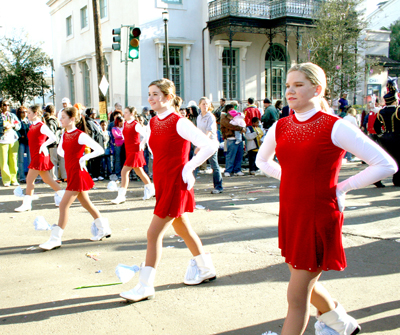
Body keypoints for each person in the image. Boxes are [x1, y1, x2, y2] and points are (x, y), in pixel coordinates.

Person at [256, 62, 397, 335]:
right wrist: (290, 180)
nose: (290, 91)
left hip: (318, 214)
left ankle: (336, 324)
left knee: (296, 297)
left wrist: (341, 188)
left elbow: (385, 165)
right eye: (288, 85)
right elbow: (263, 161)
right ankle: (342, 324)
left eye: (298, 85)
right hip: (291, 212)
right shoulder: (280, 126)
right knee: (301, 277)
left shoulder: (335, 126)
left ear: (317, 89)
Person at [119, 79, 218, 302]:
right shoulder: (153, 122)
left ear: (168, 96)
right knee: (182, 227)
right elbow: (155, 150)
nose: (150, 98)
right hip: (163, 181)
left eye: (155, 94)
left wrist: (189, 167)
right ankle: (205, 268)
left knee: (153, 233)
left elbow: (211, 145)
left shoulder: (180, 122)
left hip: (175, 182)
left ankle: (145, 286)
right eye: (149, 94)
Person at [39, 106, 111, 250]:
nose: (60, 120)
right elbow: (61, 151)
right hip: (72, 173)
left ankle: (55, 238)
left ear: (72, 119)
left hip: (78, 174)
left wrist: (84, 157)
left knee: (63, 205)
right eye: (60, 117)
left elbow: (100, 149)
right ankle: (104, 229)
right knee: (86, 204)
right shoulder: (64, 134)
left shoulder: (80, 135)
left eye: (63, 117)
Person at [15, 105, 64, 212]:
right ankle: (63, 195)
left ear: (35, 113)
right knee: (47, 179)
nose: (27, 115)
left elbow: (53, 137)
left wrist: (43, 145)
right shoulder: (32, 125)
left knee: (29, 179)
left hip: (40, 155)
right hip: (35, 155)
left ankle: (27, 204)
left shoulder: (41, 125)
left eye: (29, 113)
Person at [111, 106, 155, 204]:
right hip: (129, 150)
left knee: (124, 172)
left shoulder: (136, 124)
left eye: (126, 112)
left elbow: (147, 135)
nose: (124, 114)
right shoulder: (126, 123)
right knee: (139, 172)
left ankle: (121, 195)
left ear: (131, 114)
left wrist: (142, 144)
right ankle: (151, 188)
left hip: (135, 151)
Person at [374, 77, 400, 187]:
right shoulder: (397, 110)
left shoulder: (381, 111)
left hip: (385, 138)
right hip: (397, 138)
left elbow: (376, 126)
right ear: (395, 100)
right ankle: (397, 180)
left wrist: (381, 135)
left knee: (384, 161)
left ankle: (377, 179)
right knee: (398, 160)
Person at [197, 97, 223, 194]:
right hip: (202, 143)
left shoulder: (210, 116)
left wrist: (202, 143)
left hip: (211, 143)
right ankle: (187, 187)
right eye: (203, 104)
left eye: (207, 104)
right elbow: (199, 131)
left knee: (214, 165)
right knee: (195, 164)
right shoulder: (199, 117)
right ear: (199, 105)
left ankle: (218, 187)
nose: (205, 106)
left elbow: (209, 131)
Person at [220, 104, 246, 177]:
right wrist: (241, 128)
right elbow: (231, 126)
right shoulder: (224, 118)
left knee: (239, 155)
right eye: (232, 110)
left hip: (239, 138)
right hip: (231, 139)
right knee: (230, 156)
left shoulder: (236, 117)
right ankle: (228, 170)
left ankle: (237, 170)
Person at [0, 99, 21, 187]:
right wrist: (3, 128)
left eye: (8, 105)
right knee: (4, 161)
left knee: (13, 160)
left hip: (13, 139)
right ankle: (6, 180)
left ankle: (14, 179)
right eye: (5, 105)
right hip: (3, 140)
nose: (7, 106)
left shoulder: (12, 115)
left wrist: (13, 125)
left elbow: (18, 124)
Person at [43, 105, 62, 181]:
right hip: (53, 142)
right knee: (53, 160)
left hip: (53, 142)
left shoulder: (50, 120)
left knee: (55, 160)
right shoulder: (51, 121)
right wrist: (59, 130)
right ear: (53, 111)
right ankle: (54, 177)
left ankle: (56, 176)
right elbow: (52, 132)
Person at [16, 106, 30, 183]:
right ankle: (22, 177)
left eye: (25, 112)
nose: (24, 114)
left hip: (28, 142)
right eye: (22, 112)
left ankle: (30, 177)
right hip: (21, 141)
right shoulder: (17, 121)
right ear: (19, 113)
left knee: (30, 160)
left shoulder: (29, 121)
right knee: (20, 160)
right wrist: (20, 136)